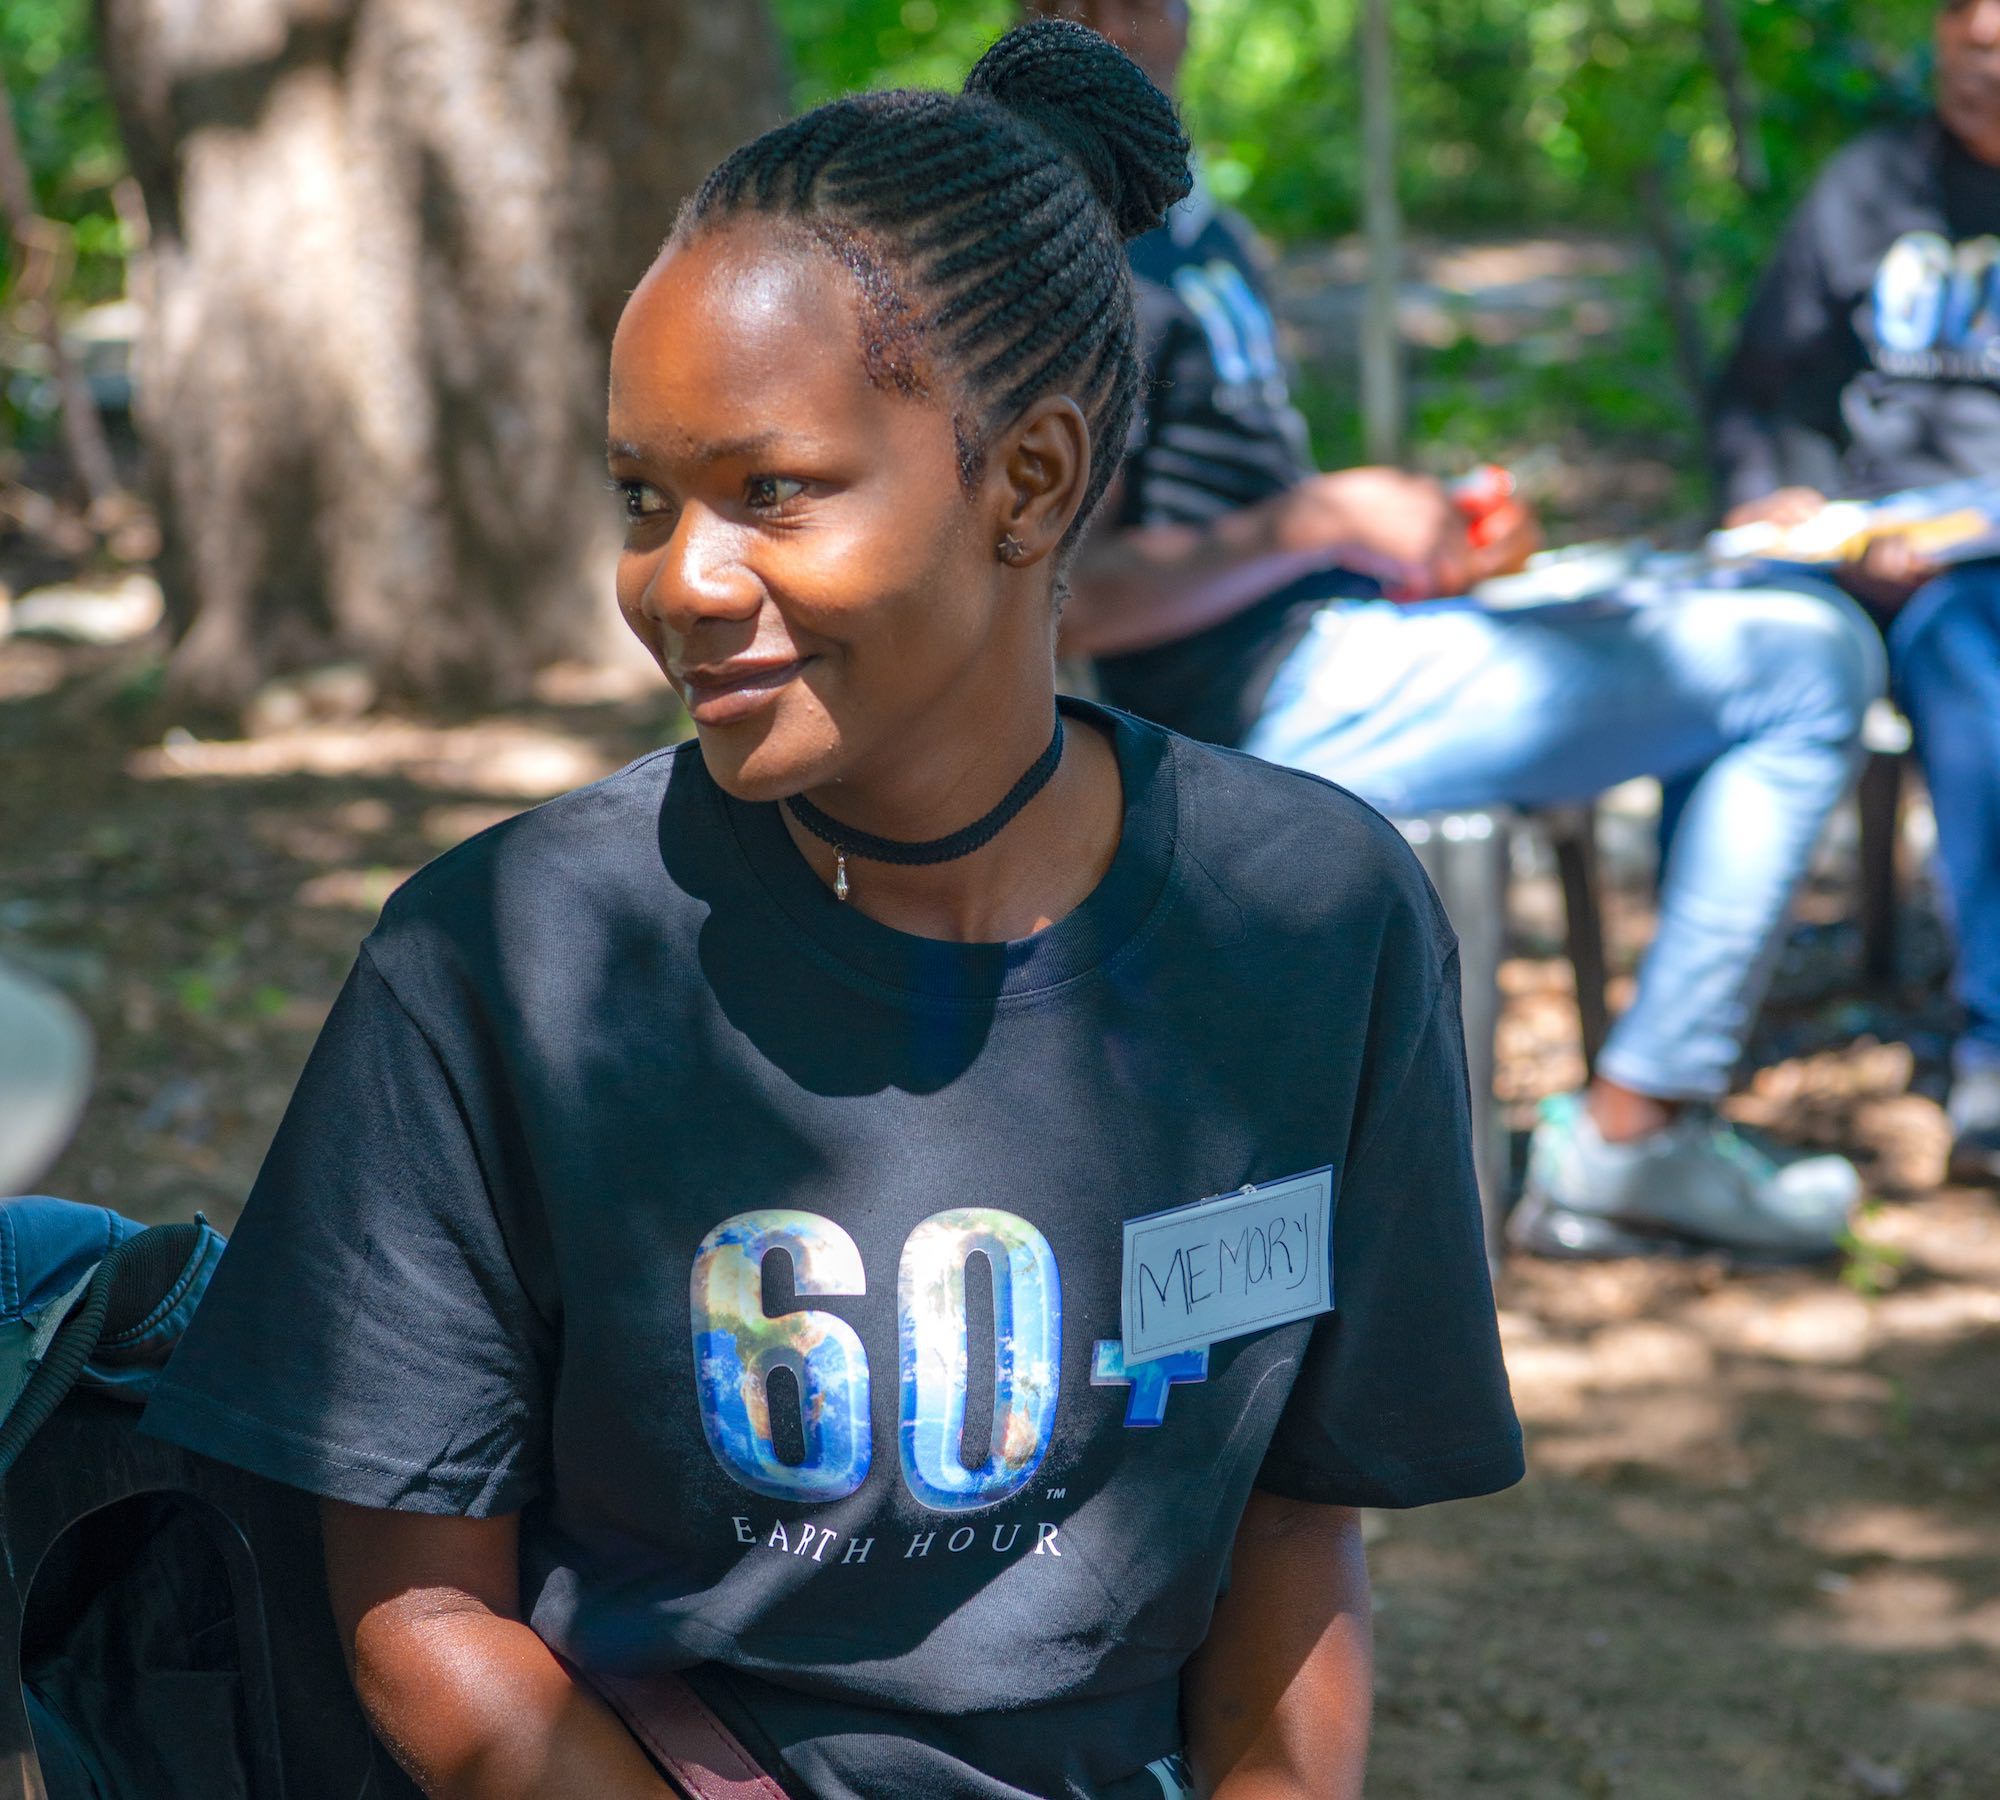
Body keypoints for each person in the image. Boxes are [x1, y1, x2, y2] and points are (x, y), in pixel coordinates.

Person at [139, 23, 1523, 1799]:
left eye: (770, 492)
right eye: (644, 497)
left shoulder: (1315, 926)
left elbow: (1295, 1540)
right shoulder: (500, 962)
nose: (680, 582)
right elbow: (421, 1625)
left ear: (1025, 481)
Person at [1029, 0, 1888, 1262]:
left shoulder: (1201, 228)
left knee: (1748, 609)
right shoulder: (1065, 249)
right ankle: (1637, 1130)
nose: (1123, 19)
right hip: (1261, 709)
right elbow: (1068, 598)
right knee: (1807, 660)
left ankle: (1636, 1106)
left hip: (1343, 641)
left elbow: (1248, 518)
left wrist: (1405, 539)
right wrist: (1317, 519)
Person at [1714, 0, 2000, 1187]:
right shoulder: (1866, 188)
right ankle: (1695, 1051)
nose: (1981, 70)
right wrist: (1778, 495)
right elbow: (1764, 384)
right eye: (1963, 50)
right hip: (1879, 556)